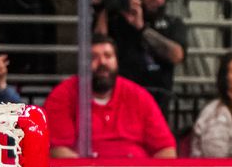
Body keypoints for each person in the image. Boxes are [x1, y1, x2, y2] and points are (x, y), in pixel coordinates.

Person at [46, 35, 177, 159]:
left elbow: (166, 149)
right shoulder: (62, 95)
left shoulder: (139, 96)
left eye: (108, 56)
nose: (102, 62)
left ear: (117, 61)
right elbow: (57, 149)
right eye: (93, 57)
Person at [96, 0, 188, 113]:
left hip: (156, 104)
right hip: (120, 102)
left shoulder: (173, 23)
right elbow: (98, 45)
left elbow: (176, 55)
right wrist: (103, 7)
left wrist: (141, 28)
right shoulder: (116, 21)